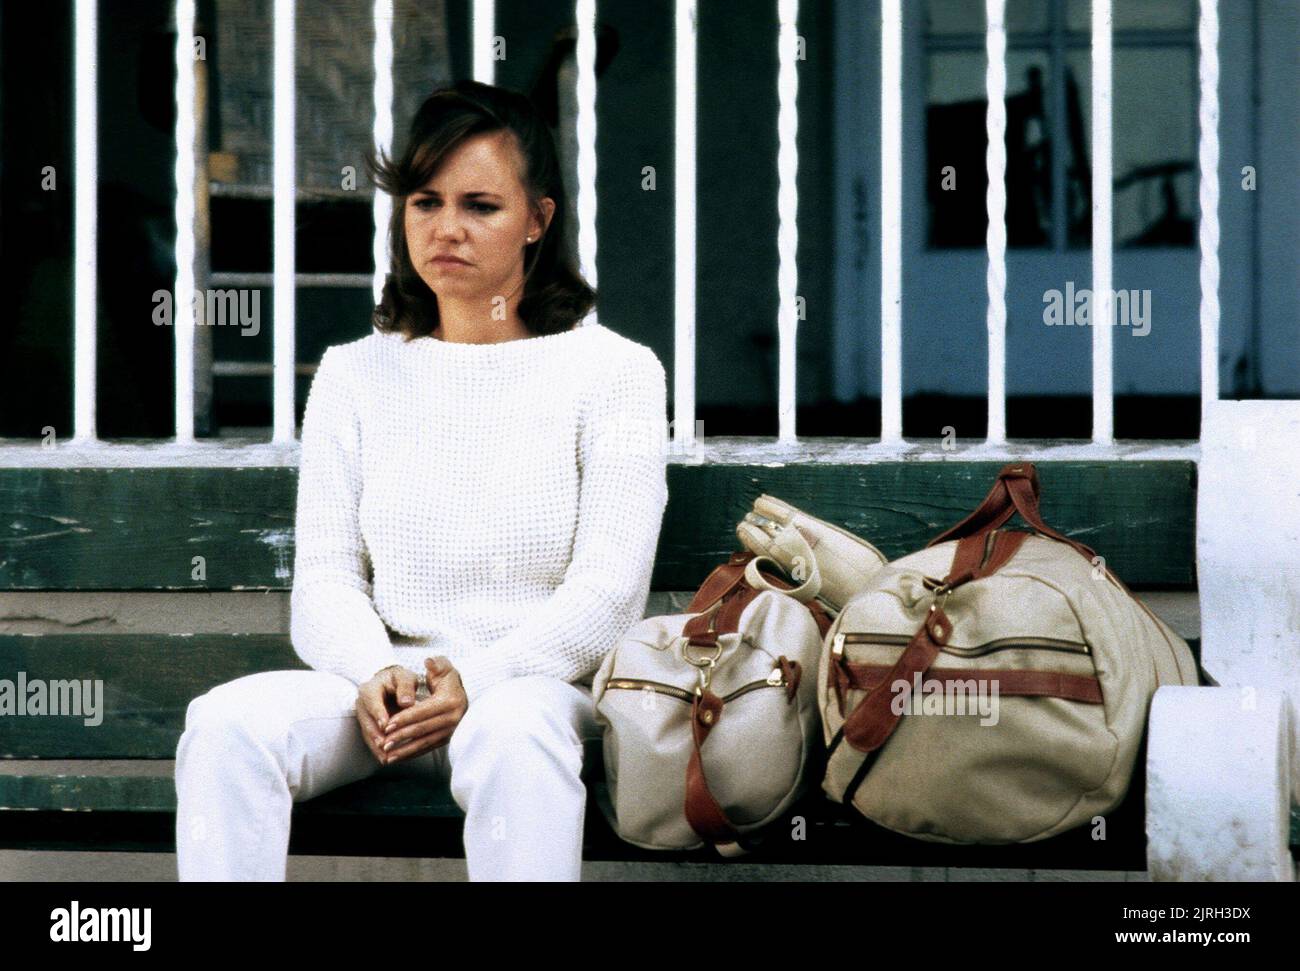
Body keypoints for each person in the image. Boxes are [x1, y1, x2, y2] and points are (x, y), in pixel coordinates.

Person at [174, 80, 670, 882]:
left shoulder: (615, 373)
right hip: (383, 691)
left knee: (513, 733)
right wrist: (375, 670)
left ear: (539, 220)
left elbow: (608, 595)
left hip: (531, 692)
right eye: (424, 200)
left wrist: (474, 681)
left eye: (481, 205)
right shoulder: (353, 373)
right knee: (226, 724)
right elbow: (328, 578)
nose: (446, 229)